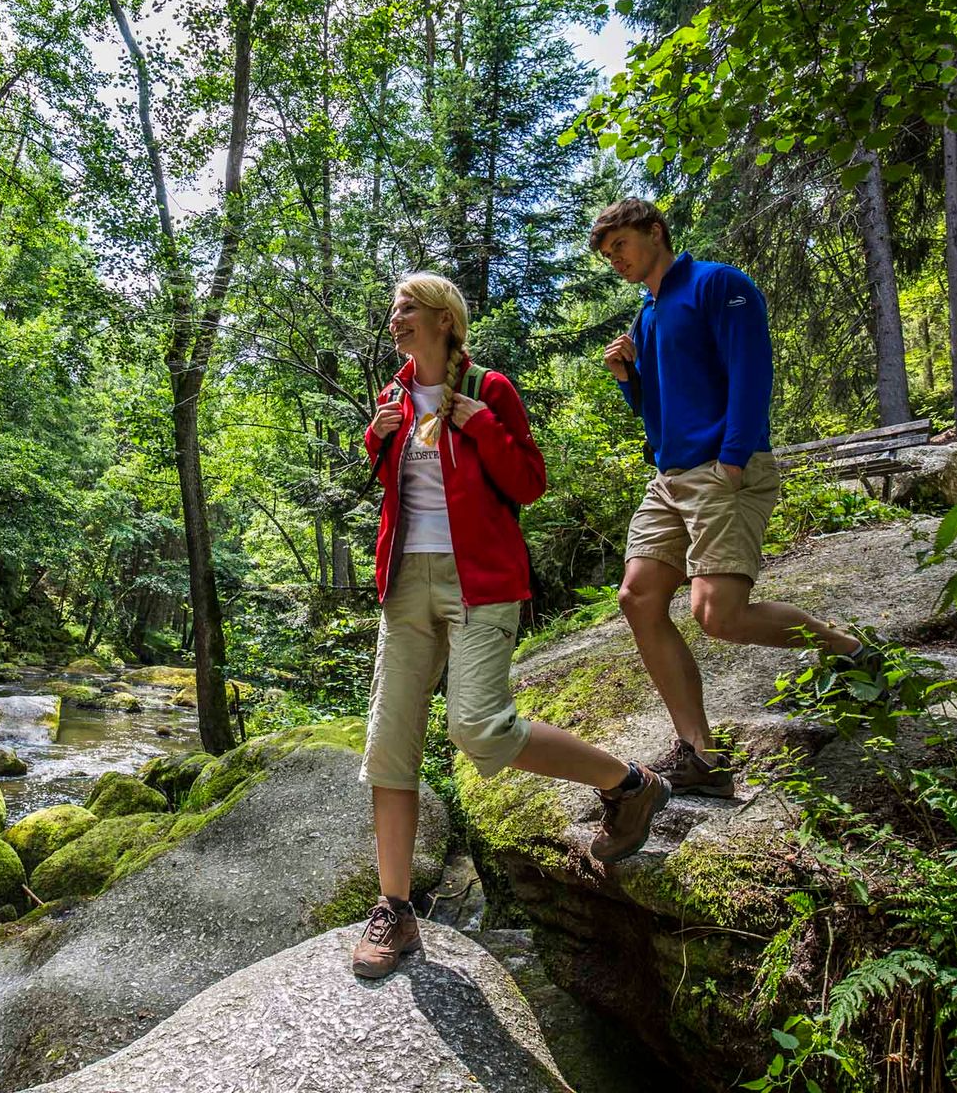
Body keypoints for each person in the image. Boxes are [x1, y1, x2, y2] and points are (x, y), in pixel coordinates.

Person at [351, 271, 669, 981]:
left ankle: (628, 783)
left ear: (442, 320)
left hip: (482, 583)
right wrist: (379, 443)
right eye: (394, 309)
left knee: (479, 728)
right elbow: (399, 490)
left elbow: (528, 481)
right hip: (406, 585)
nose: (395, 318)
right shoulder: (393, 397)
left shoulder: (490, 389)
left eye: (407, 309)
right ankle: (395, 908)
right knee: (389, 743)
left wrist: (480, 425)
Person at [593, 198, 880, 798]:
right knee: (638, 597)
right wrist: (629, 382)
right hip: (669, 476)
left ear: (654, 231)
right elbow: (658, 412)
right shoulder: (646, 318)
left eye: (619, 244)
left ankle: (848, 649)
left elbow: (752, 372)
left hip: (725, 469)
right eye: (606, 253)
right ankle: (703, 757)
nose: (613, 259)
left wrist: (734, 457)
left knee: (717, 616)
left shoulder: (718, 283)